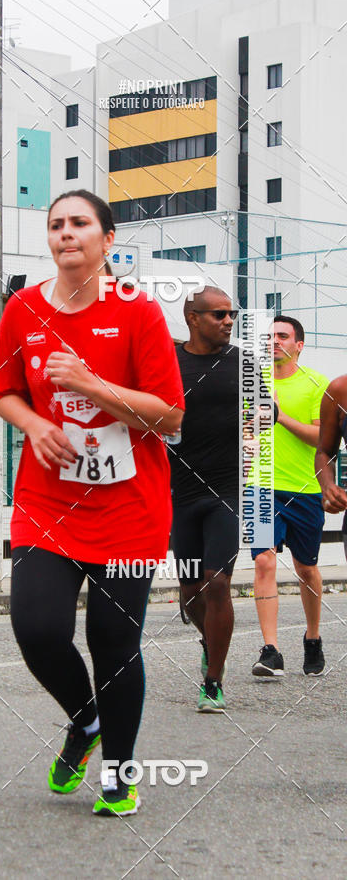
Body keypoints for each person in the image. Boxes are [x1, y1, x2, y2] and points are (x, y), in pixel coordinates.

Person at [0, 190, 184, 816]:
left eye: (79, 223)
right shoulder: (22, 309)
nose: (66, 233)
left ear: (107, 240)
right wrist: (34, 424)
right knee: (37, 629)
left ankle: (119, 773)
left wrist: (88, 383)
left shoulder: (138, 311)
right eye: (56, 225)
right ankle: (86, 719)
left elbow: (169, 414)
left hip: (129, 508)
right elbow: (4, 390)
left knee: (112, 641)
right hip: (47, 502)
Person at [169, 286, 240, 713]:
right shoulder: (168, 362)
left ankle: (213, 681)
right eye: (219, 314)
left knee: (218, 581)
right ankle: (209, 642)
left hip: (226, 492)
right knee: (191, 589)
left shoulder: (242, 363)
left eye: (232, 314)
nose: (228, 321)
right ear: (193, 318)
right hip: (180, 492)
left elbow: (262, 418)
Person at [251, 316, 328, 677]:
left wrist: (279, 417)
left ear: (299, 345)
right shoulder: (253, 383)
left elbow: (322, 438)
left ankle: (312, 637)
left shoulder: (317, 384)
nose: (274, 341)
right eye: (270, 336)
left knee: (306, 569)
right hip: (260, 486)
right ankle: (271, 651)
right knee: (263, 561)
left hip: (305, 489)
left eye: (282, 336)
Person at [314, 375, 347, 548]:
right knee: (263, 559)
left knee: (305, 564)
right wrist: (328, 486)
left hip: (302, 497)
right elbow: (324, 452)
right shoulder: (340, 389)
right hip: (264, 492)